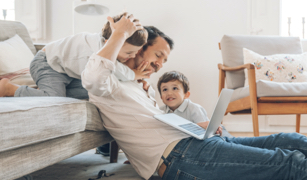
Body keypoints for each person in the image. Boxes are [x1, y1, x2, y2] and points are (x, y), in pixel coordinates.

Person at [81, 14, 307, 180]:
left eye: (164, 61)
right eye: (158, 55)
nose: (159, 64)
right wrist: (120, 33)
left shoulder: (142, 86)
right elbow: (93, 78)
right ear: (138, 48)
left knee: (291, 140)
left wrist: (195, 126)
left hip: (196, 143)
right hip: (180, 157)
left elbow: (156, 124)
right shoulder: (105, 80)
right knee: (290, 162)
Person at [0, 12, 148, 98]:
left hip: (69, 72)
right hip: (48, 64)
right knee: (54, 99)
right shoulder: (97, 50)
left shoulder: (102, 42)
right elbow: (117, 70)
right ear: (111, 41)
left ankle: (40, 91)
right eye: (129, 53)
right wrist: (135, 74)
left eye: (136, 53)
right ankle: (9, 88)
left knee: (96, 94)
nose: (133, 57)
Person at [157, 70, 222, 134]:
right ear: (161, 97)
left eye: (174, 88)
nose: (169, 93)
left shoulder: (195, 109)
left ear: (186, 94)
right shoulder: (160, 112)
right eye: (165, 89)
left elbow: (204, 130)